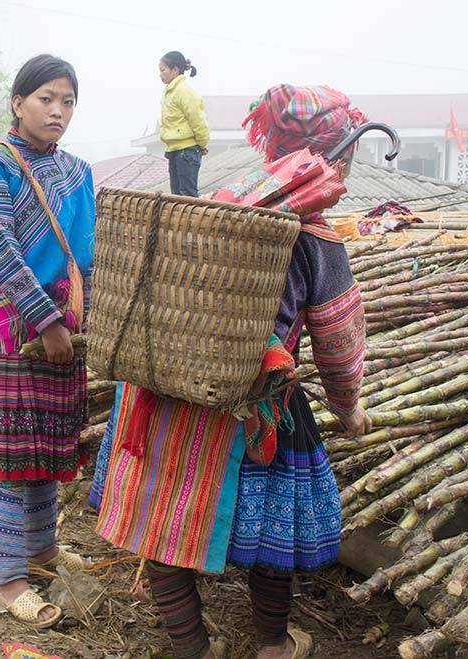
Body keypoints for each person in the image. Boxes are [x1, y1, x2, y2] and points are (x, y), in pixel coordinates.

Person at [95, 84, 373, 659]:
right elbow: (340, 347)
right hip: (254, 399)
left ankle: (192, 645)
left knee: (162, 516)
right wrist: (348, 408)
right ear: (334, 157)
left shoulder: (222, 206)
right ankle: (272, 645)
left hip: (162, 382)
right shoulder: (316, 240)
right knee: (276, 535)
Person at [0, 55, 96, 628]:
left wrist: (80, 321)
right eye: (47, 98)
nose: (58, 111)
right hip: (13, 330)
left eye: (68, 101)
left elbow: (93, 252)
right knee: (11, 459)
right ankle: (8, 579)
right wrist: (45, 320)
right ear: (17, 103)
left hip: (69, 329)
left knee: (45, 454)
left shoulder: (79, 171)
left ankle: (41, 551)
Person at [159, 51, 209, 197]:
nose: (160, 74)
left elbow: (198, 121)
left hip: (187, 151)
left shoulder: (184, 91)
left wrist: (202, 144)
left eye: (163, 70)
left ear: (175, 70)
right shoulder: (169, 92)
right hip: (174, 150)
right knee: (176, 197)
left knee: (187, 196)